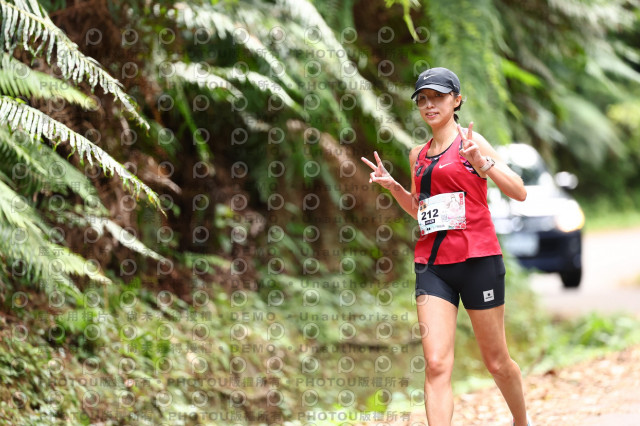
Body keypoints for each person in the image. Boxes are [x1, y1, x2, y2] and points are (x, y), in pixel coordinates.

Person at [361, 67, 532, 426]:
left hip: (478, 260)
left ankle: (521, 421)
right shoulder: (417, 155)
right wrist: (394, 187)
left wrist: (482, 162)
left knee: (496, 362)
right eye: (423, 99)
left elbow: (519, 191)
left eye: (438, 97)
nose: (429, 104)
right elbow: (421, 211)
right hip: (433, 266)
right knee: (436, 363)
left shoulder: (471, 142)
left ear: (456, 100)